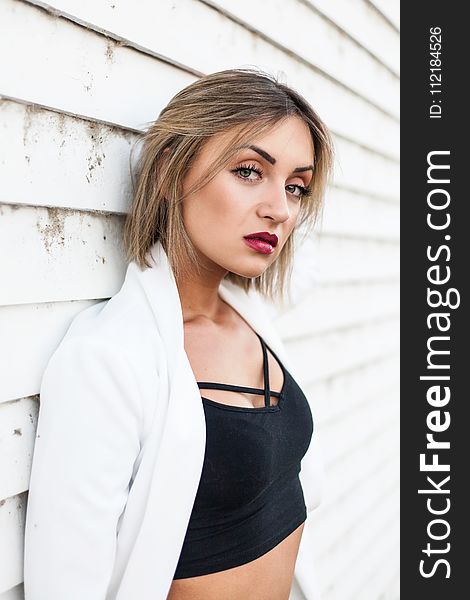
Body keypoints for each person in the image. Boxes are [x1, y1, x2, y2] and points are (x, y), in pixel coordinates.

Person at [23, 68, 334, 600]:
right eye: (248, 170)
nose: (280, 210)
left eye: (296, 186)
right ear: (171, 168)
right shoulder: (107, 362)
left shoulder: (253, 321)